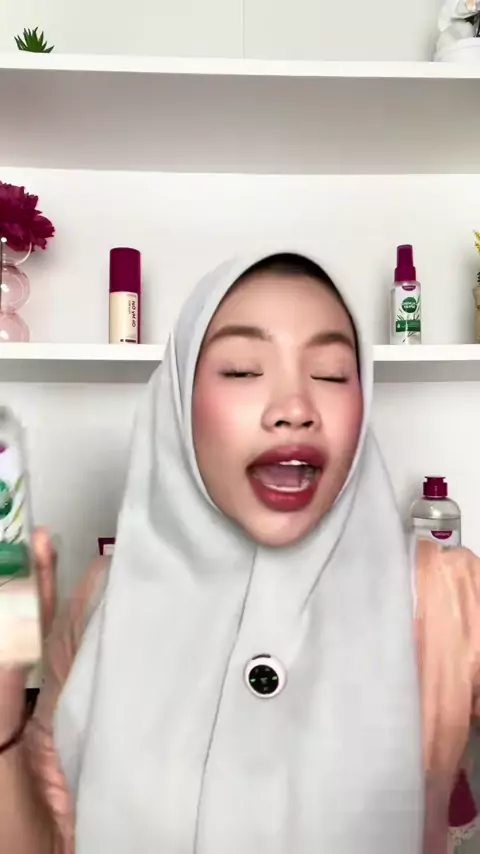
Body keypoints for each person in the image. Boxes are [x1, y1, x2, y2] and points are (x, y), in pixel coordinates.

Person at [0, 250, 479, 854]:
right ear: (178, 402)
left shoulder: (448, 593)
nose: (295, 409)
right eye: (243, 371)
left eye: (332, 373)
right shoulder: (106, 596)